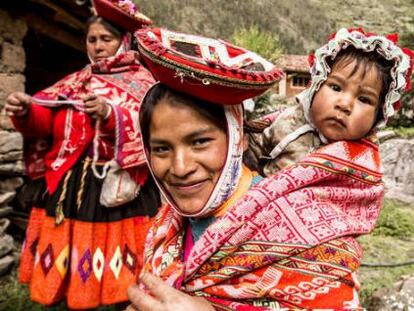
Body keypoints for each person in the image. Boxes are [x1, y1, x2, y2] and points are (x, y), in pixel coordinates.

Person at [125, 28, 414, 310]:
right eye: (161, 148)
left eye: (200, 142)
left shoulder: (312, 239)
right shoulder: (168, 225)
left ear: (238, 137)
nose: (180, 168)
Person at [4, 4, 160, 309]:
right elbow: (47, 122)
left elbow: (152, 126)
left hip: (119, 186)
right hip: (70, 186)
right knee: (69, 259)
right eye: (92, 40)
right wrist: (26, 112)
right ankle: (73, 297)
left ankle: (120, 300)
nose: (99, 47)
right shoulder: (76, 81)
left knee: (123, 267)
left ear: (124, 41)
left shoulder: (143, 82)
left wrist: (111, 113)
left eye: (106, 39)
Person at [247, 28, 414, 176]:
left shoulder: (363, 168)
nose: (344, 104)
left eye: (364, 99)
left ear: (379, 115)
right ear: (315, 87)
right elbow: (248, 155)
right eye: (335, 87)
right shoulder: (287, 122)